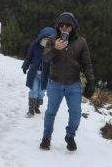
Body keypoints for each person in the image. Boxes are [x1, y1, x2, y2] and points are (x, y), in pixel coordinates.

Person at [39, 12, 95, 151]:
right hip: (55, 83)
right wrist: (56, 49)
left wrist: (91, 81)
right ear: (58, 26)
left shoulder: (81, 42)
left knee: (76, 113)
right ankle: (46, 138)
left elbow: (87, 63)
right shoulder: (52, 40)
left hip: (73, 84)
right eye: (62, 25)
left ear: (73, 27)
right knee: (51, 112)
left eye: (68, 25)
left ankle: (70, 136)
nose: (65, 28)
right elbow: (45, 59)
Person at [22, 27, 57, 118]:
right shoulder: (35, 46)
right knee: (33, 90)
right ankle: (31, 110)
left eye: (48, 41)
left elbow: (55, 63)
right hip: (34, 73)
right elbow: (29, 57)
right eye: (44, 39)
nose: (45, 42)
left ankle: (37, 106)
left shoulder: (53, 50)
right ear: (40, 38)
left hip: (45, 76)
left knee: (41, 92)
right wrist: (25, 66)